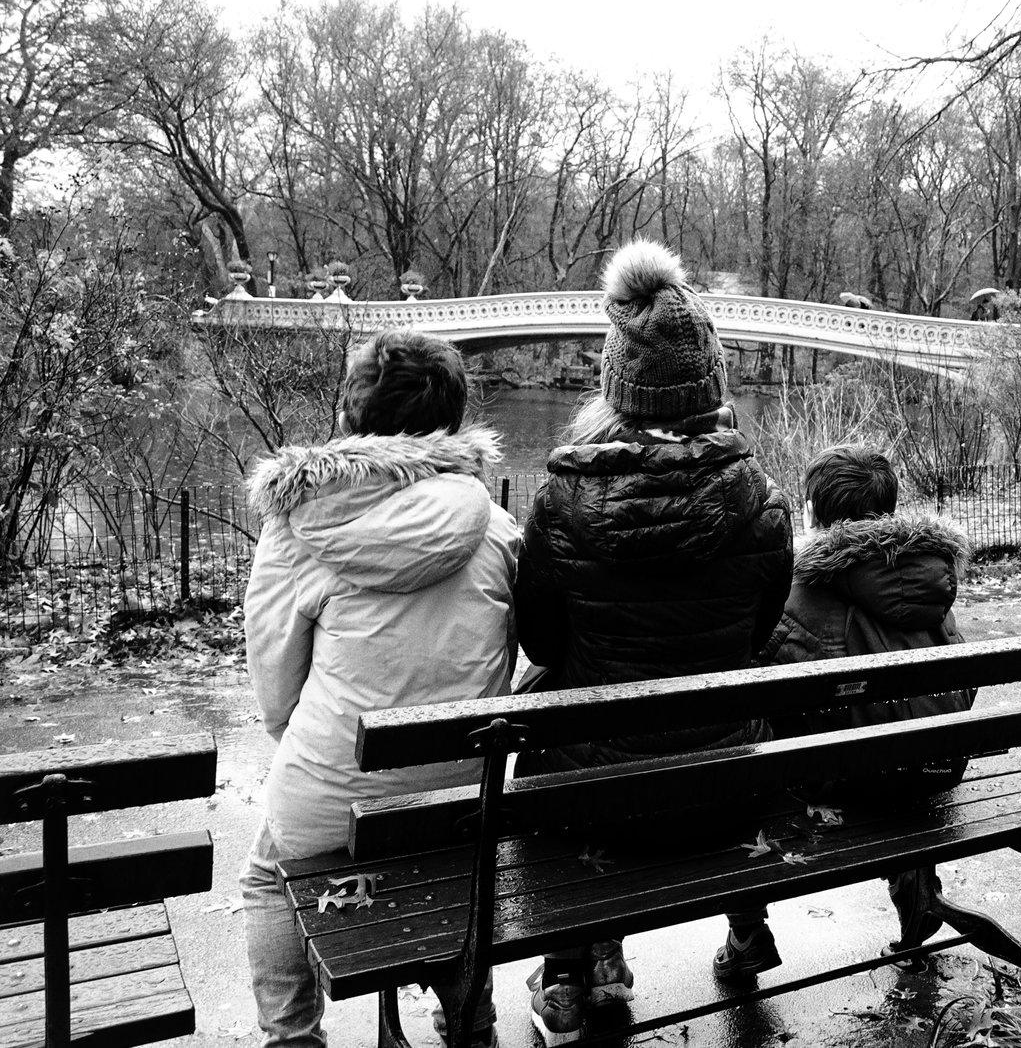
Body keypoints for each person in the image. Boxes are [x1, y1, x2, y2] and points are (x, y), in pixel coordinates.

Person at [514, 239, 794, 1044]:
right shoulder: (766, 503)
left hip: (595, 800)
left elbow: (539, 639)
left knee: (552, 732)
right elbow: (761, 630)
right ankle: (744, 926)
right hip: (722, 791)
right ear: (709, 384)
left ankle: (571, 973)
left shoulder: (562, 499)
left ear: (617, 386)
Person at [238, 329, 520, 1048]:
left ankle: (294, 1037)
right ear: (452, 422)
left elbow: (275, 690)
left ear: (351, 417)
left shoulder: (293, 532)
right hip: (459, 795)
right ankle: (472, 1024)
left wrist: (302, 742)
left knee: (268, 879)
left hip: (332, 797)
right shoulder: (497, 529)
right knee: (462, 866)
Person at [755, 444, 975, 960]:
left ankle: (747, 932)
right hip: (937, 764)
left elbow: (763, 685)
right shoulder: (929, 577)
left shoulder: (799, 590)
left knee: (763, 746)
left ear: (814, 512)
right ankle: (915, 878)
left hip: (853, 779)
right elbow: (960, 683)